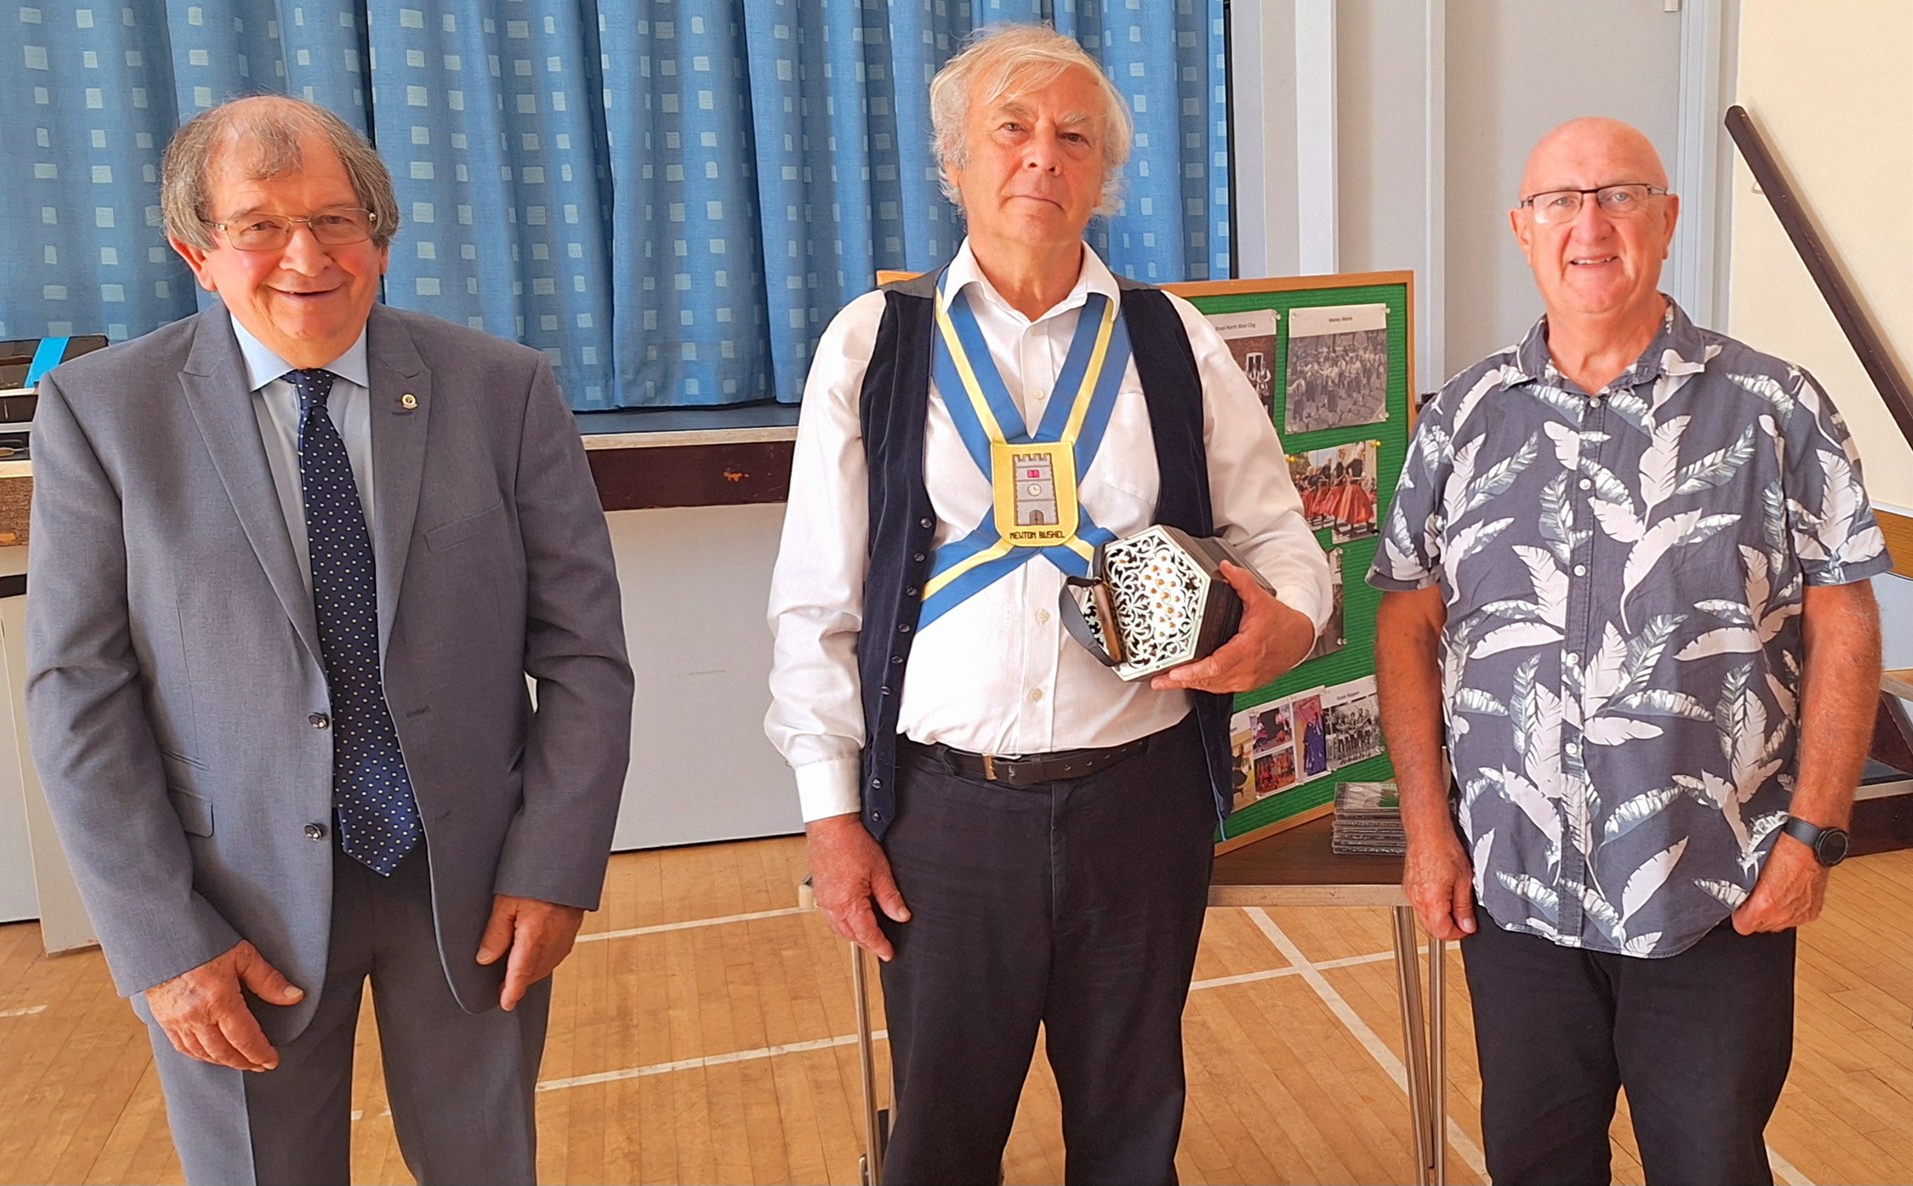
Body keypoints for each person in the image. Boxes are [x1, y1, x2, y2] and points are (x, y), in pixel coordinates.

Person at [26, 95, 635, 1185]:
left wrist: (557, 866)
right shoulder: (102, 413)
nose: (305, 255)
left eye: (337, 220)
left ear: (382, 239)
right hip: (230, 910)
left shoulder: (504, 390)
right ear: (196, 253)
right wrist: (164, 941)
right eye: (258, 224)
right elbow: (78, 695)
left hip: (471, 893)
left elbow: (584, 654)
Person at [764, 24, 1330, 1185]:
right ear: (956, 164)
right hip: (941, 819)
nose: (1041, 158)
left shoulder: (1174, 343)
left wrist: (1289, 625)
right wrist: (831, 815)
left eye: (1073, 138)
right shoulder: (874, 346)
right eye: (1009, 132)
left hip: (1140, 807)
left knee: (1131, 1136)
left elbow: (1285, 538)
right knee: (939, 1144)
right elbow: (816, 598)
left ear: (1104, 174)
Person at [1370, 117, 1887, 1185]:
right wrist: (1429, 830)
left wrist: (1818, 835)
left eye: (1620, 194)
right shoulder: (1458, 423)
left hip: (1716, 893)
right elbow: (1409, 624)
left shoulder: (1776, 410)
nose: (1589, 224)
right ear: (1522, 229)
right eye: (1560, 200)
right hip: (1516, 897)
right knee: (1535, 1162)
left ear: (1668, 219)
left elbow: (1846, 622)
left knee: (1709, 1162)